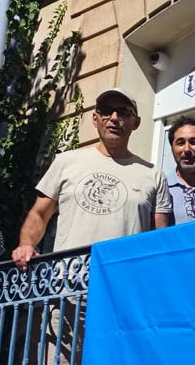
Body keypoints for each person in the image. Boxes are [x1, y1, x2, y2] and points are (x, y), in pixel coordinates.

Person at [12, 87, 171, 268]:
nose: (113, 118)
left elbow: (159, 239)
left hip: (123, 283)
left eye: (123, 112)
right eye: (105, 110)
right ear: (95, 119)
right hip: (68, 285)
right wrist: (26, 245)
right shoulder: (66, 162)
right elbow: (40, 214)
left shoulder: (153, 174)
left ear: (136, 122)